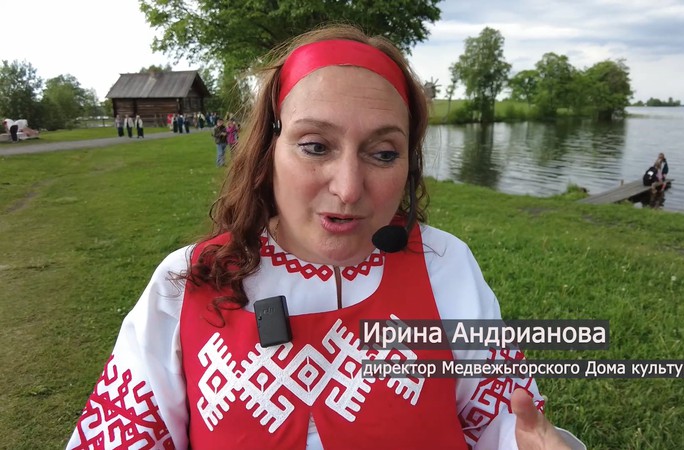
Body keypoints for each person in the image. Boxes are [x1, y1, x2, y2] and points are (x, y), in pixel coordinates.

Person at [66, 25, 585, 450]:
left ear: (408, 163)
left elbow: (499, 420)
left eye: (383, 153)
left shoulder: (445, 264)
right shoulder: (188, 283)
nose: (349, 188)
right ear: (268, 149)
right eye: (316, 146)